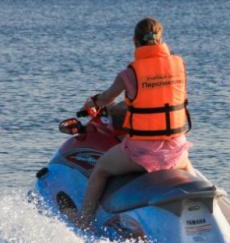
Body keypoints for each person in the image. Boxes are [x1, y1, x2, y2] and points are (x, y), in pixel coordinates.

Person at [72, 17, 192, 230]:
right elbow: (164, 99)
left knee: (100, 170)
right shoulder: (179, 65)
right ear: (160, 39)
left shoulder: (129, 73)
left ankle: (84, 221)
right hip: (177, 149)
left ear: (135, 41)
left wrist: (91, 104)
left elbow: (106, 99)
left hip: (143, 152)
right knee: (191, 176)